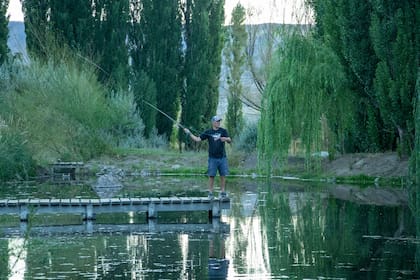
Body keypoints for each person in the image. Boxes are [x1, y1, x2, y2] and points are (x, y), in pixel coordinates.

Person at [184, 116, 231, 198]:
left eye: (219, 121)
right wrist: (189, 133)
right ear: (213, 122)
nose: (218, 123)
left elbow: (230, 140)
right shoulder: (208, 132)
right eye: (217, 121)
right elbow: (197, 139)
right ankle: (210, 193)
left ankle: (223, 192)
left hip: (222, 157)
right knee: (211, 175)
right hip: (212, 158)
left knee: (223, 175)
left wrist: (226, 139)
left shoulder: (223, 131)